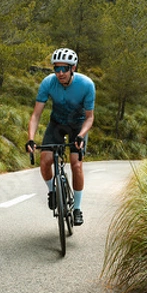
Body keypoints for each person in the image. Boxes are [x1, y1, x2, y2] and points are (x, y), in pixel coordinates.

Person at [25, 48, 95, 226]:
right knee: (45, 160)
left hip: (78, 126)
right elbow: (36, 115)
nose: (60, 73)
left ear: (73, 68)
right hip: (57, 124)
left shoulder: (86, 85)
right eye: (56, 69)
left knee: (76, 164)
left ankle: (77, 209)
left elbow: (90, 117)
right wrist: (31, 139)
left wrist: (80, 136)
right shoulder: (48, 83)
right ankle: (52, 192)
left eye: (64, 68)